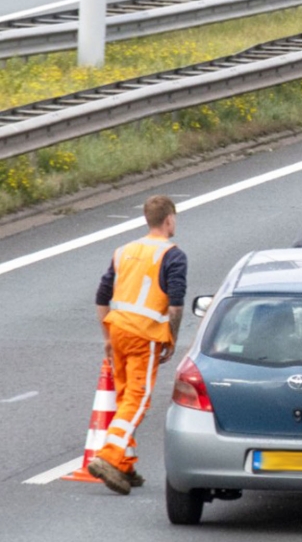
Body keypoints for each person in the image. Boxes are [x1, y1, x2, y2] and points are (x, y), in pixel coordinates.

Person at [89, 195, 187, 495]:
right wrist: (171, 338)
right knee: (138, 398)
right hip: (145, 335)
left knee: (123, 396)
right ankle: (108, 456)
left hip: (118, 330)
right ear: (168, 219)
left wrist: (107, 337)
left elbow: (102, 296)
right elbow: (176, 306)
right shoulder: (173, 255)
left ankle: (125, 463)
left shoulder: (124, 251)